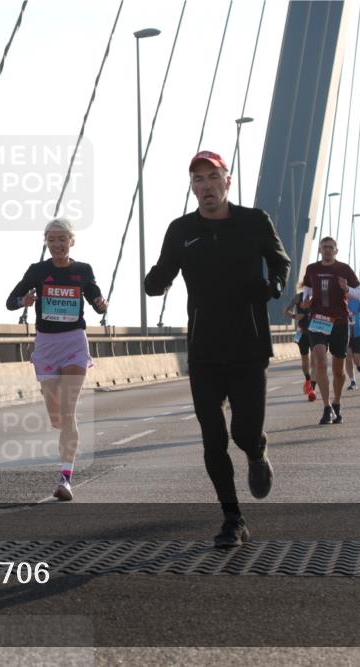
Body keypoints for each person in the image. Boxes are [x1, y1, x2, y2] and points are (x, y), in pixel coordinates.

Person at [144, 150, 290, 548]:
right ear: (192, 189)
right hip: (205, 347)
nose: (206, 186)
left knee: (244, 432)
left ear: (228, 180)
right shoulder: (181, 230)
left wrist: (274, 287)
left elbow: (281, 263)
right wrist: (154, 282)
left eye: (212, 177)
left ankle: (257, 452)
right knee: (213, 438)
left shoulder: (254, 222)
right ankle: (233, 518)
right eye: (198, 181)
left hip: (249, 345)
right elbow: (163, 272)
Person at [6, 218, 107, 502]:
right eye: (52, 240)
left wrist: (100, 303)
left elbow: (94, 296)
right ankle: (61, 432)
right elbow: (10, 301)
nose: (57, 244)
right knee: (56, 415)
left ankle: (65, 477)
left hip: (75, 341)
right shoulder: (38, 271)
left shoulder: (82, 270)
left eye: (62, 239)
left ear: (72, 241)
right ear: (46, 243)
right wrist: (23, 301)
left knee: (69, 409)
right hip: (47, 345)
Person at [302, 237, 360, 424]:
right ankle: (326, 407)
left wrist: (348, 290)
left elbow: (359, 293)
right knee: (320, 361)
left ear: (336, 250)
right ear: (320, 250)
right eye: (324, 247)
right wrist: (306, 301)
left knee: (338, 369)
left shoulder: (343, 269)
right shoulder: (312, 269)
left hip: (339, 321)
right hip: (318, 320)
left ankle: (337, 402)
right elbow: (307, 289)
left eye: (330, 248)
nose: (327, 250)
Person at [284, 288, 317, 401]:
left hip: (314, 332)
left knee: (314, 361)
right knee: (305, 360)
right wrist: (294, 316)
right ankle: (308, 379)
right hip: (302, 333)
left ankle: (312, 389)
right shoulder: (298, 297)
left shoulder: (318, 296)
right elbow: (286, 311)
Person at [346, 297, 360, 390]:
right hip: (345, 334)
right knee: (348, 357)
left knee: (357, 361)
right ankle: (352, 381)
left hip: (357, 333)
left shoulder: (357, 302)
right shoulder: (339, 300)